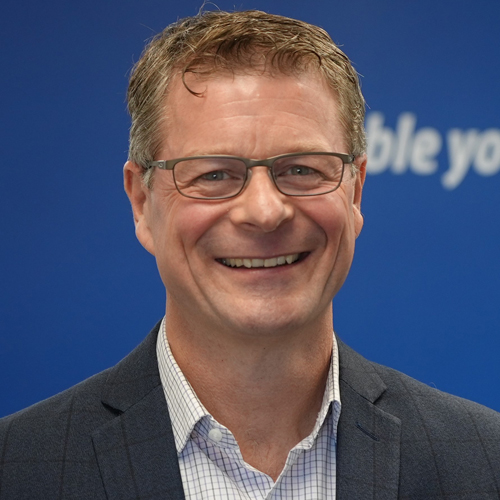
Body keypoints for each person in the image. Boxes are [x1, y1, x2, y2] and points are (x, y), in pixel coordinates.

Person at [1, 10, 499, 499]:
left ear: (355, 193)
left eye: (302, 169)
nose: (264, 211)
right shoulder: (16, 467)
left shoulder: (485, 461)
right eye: (214, 174)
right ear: (141, 203)